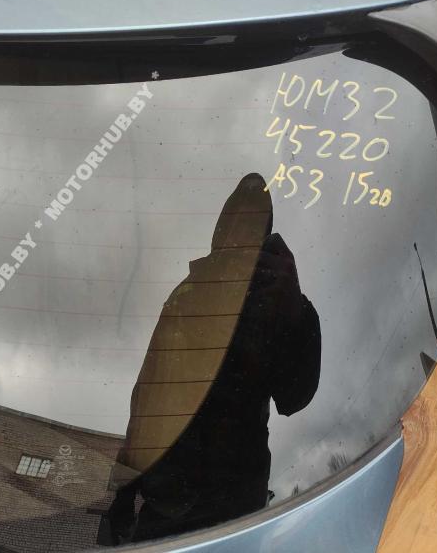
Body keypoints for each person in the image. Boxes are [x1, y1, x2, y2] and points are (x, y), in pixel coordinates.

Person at [105, 173, 321, 544]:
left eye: (253, 224)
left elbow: (294, 398)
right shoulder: (185, 295)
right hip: (165, 505)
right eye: (234, 221)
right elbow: (147, 398)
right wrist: (123, 491)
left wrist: (295, 313)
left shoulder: (276, 296)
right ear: (220, 230)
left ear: (264, 234)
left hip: (234, 513)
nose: (240, 234)